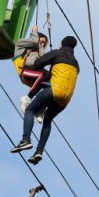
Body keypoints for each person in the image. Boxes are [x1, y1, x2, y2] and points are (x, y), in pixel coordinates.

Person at [10, 36, 80, 165]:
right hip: (66, 98)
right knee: (47, 120)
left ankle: (25, 140)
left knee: (30, 110)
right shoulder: (76, 63)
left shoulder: (57, 53)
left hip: (53, 90)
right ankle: (39, 151)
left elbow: (36, 64)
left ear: (61, 44)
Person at [13, 25, 50, 120]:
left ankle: (41, 107)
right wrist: (34, 31)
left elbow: (44, 57)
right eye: (41, 42)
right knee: (45, 74)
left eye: (43, 44)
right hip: (25, 72)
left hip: (35, 76)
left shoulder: (38, 51)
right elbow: (33, 42)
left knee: (53, 86)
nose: (41, 45)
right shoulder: (21, 44)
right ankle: (27, 98)